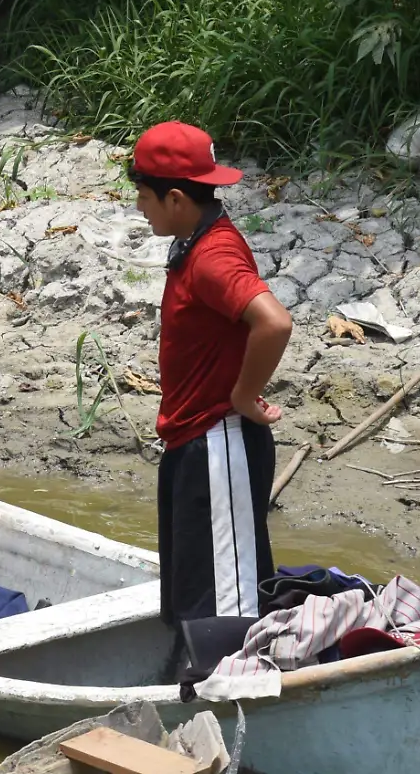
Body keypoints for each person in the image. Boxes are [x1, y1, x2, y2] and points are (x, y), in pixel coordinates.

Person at [126, 121, 292, 626]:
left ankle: (228, 695)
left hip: (219, 443)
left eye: (143, 196)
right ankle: (188, 680)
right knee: (191, 594)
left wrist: (244, 395)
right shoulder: (196, 241)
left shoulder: (212, 256)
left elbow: (274, 321)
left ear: (176, 199)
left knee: (228, 612)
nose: (138, 207)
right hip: (190, 442)